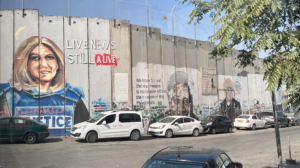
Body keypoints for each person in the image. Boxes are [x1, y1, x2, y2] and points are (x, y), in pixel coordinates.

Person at [0, 36, 89, 124]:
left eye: (49, 57)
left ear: (58, 63)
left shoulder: (73, 98)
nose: (44, 64)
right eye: (35, 58)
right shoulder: (8, 97)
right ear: (25, 63)